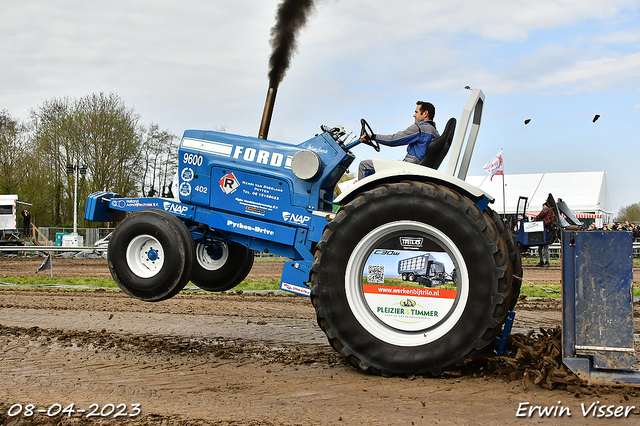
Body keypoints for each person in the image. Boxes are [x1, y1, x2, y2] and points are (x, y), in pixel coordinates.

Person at [358, 101, 439, 180]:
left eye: (416, 112)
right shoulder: (435, 133)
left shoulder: (421, 128)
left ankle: (361, 194)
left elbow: (393, 140)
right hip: (418, 168)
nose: (414, 115)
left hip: (408, 167)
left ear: (425, 113)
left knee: (364, 166)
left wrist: (372, 137)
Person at [534, 202, 555, 266]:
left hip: (545, 229)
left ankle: (546, 262)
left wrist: (535, 219)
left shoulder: (546, 209)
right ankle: (542, 261)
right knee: (541, 249)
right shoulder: (550, 211)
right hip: (545, 229)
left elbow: (541, 214)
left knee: (545, 248)